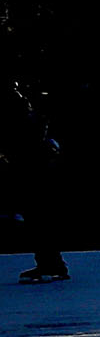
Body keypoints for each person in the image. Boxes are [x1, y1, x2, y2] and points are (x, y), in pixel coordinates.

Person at [0, 83, 64, 283]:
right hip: (33, 164)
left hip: (32, 166)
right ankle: (50, 263)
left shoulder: (20, 112)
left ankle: (51, 264)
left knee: (38, 214)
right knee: (38, 215)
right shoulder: (25, 111)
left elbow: (25, 137)